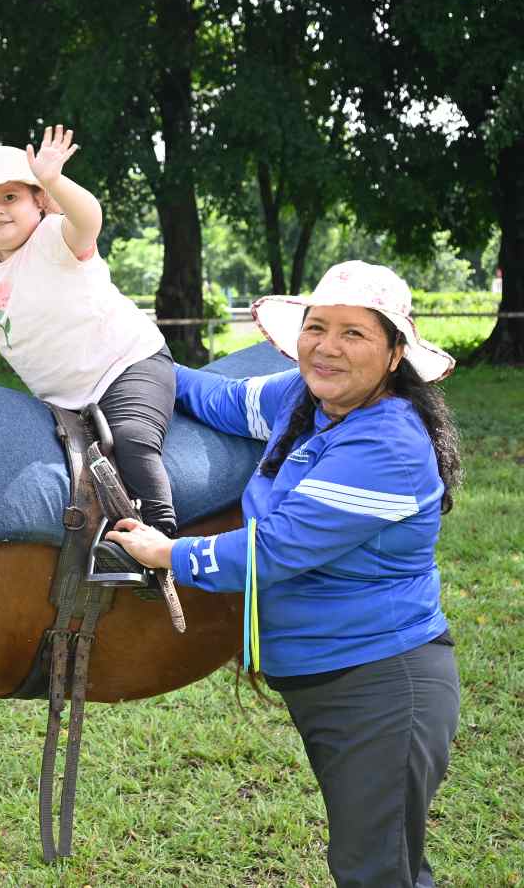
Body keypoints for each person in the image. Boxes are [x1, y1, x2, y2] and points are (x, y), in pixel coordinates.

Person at [106, 260, 462, 887]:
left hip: (379, 684)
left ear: (395, 354)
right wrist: (129, 365)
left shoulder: (389, 445)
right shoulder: (305, 399)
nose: (326, 347)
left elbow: (273, 550)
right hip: (327, 675)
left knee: (376, 870)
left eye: (354, 334)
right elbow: (214, 398)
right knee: (370, 861)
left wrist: (169, 553)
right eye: (316, 327)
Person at [0, 124, 177, 567]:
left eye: (11, 197)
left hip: (126, 367)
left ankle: (160, 537)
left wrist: (54, 179)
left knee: (131, 439)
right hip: (59, 398)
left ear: (38, 202)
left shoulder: (55, 238)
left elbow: (91, 218)